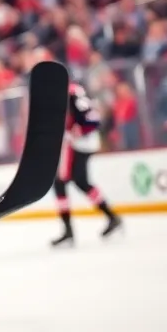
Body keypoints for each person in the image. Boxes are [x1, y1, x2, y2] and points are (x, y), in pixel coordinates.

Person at [51, 81, 123, 247]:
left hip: (79, 143)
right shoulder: (73, 90)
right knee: (80, 181)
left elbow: (92, 119)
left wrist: (78, 131)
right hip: (82, 142)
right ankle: (111, 217)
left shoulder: (70, 92)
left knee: (61, 182)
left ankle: (69, 231)